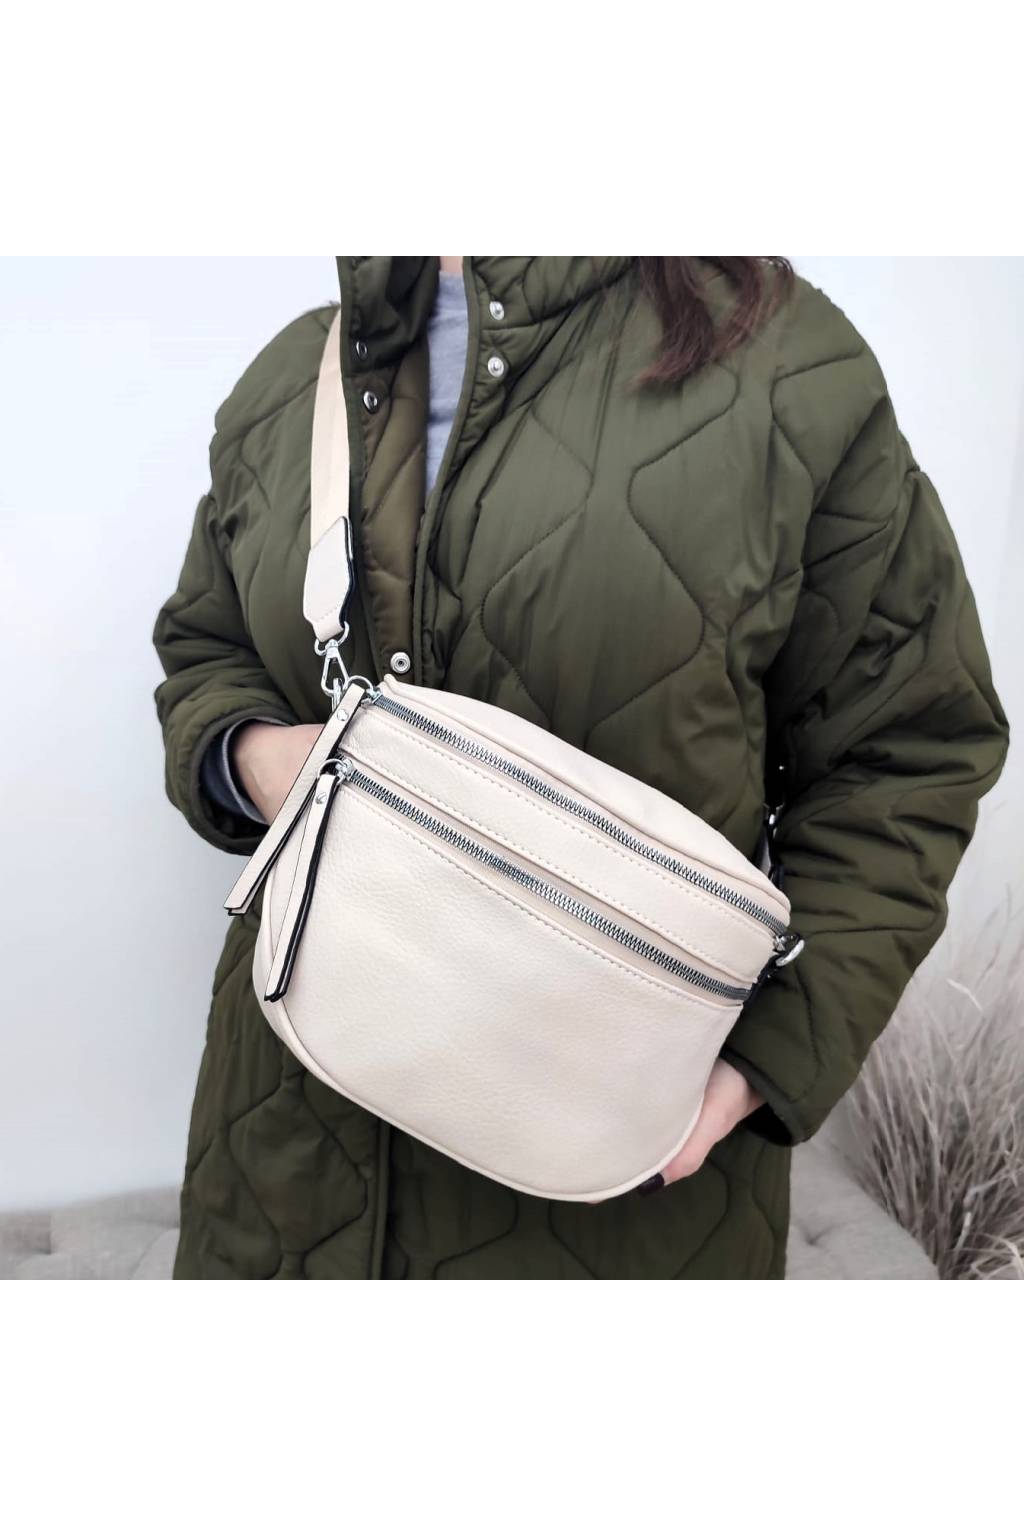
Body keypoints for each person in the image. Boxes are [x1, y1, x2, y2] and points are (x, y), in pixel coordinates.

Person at [153, 256, 1008, 1279]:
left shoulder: (786, 364)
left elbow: (909, 748)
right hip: (279, 1163)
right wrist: (254, 758)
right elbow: (206, 646)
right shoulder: (294, 377)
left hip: (616, 1193)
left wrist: (761, 1065)